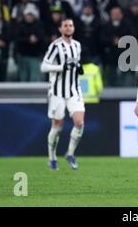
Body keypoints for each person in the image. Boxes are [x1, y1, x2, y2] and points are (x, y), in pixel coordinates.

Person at [40, 18, 85, 171]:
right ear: (60, 29)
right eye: (65, 25)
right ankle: (52, 157)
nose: (68, 28)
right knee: (57, 126)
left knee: (79, 122)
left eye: (70, 25)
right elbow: (44, 66)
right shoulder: (55, 46)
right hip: (57, 91)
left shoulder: (77, 45)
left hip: (74, 90)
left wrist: (78, 68)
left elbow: (75, 64)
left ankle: (70, 153)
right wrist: (62, 67)